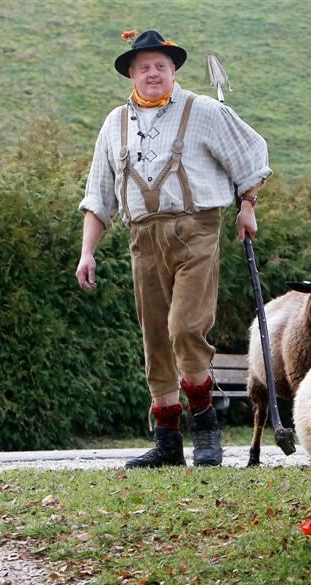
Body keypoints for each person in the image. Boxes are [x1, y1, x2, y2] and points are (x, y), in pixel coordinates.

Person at [75, 30, 271, 468]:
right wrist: (87, 252)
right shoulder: (114, 124)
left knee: (185, 328)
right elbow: (99, 195)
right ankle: (167, 442)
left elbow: (252, 155)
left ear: (173, 70)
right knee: (155, 340)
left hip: (195, 232)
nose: (152, 73)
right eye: (143, 66)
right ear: (131, 72)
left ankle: (205, 426)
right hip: (142, 240)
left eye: (160, 66)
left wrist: (248, 206)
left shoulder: (203, 110)